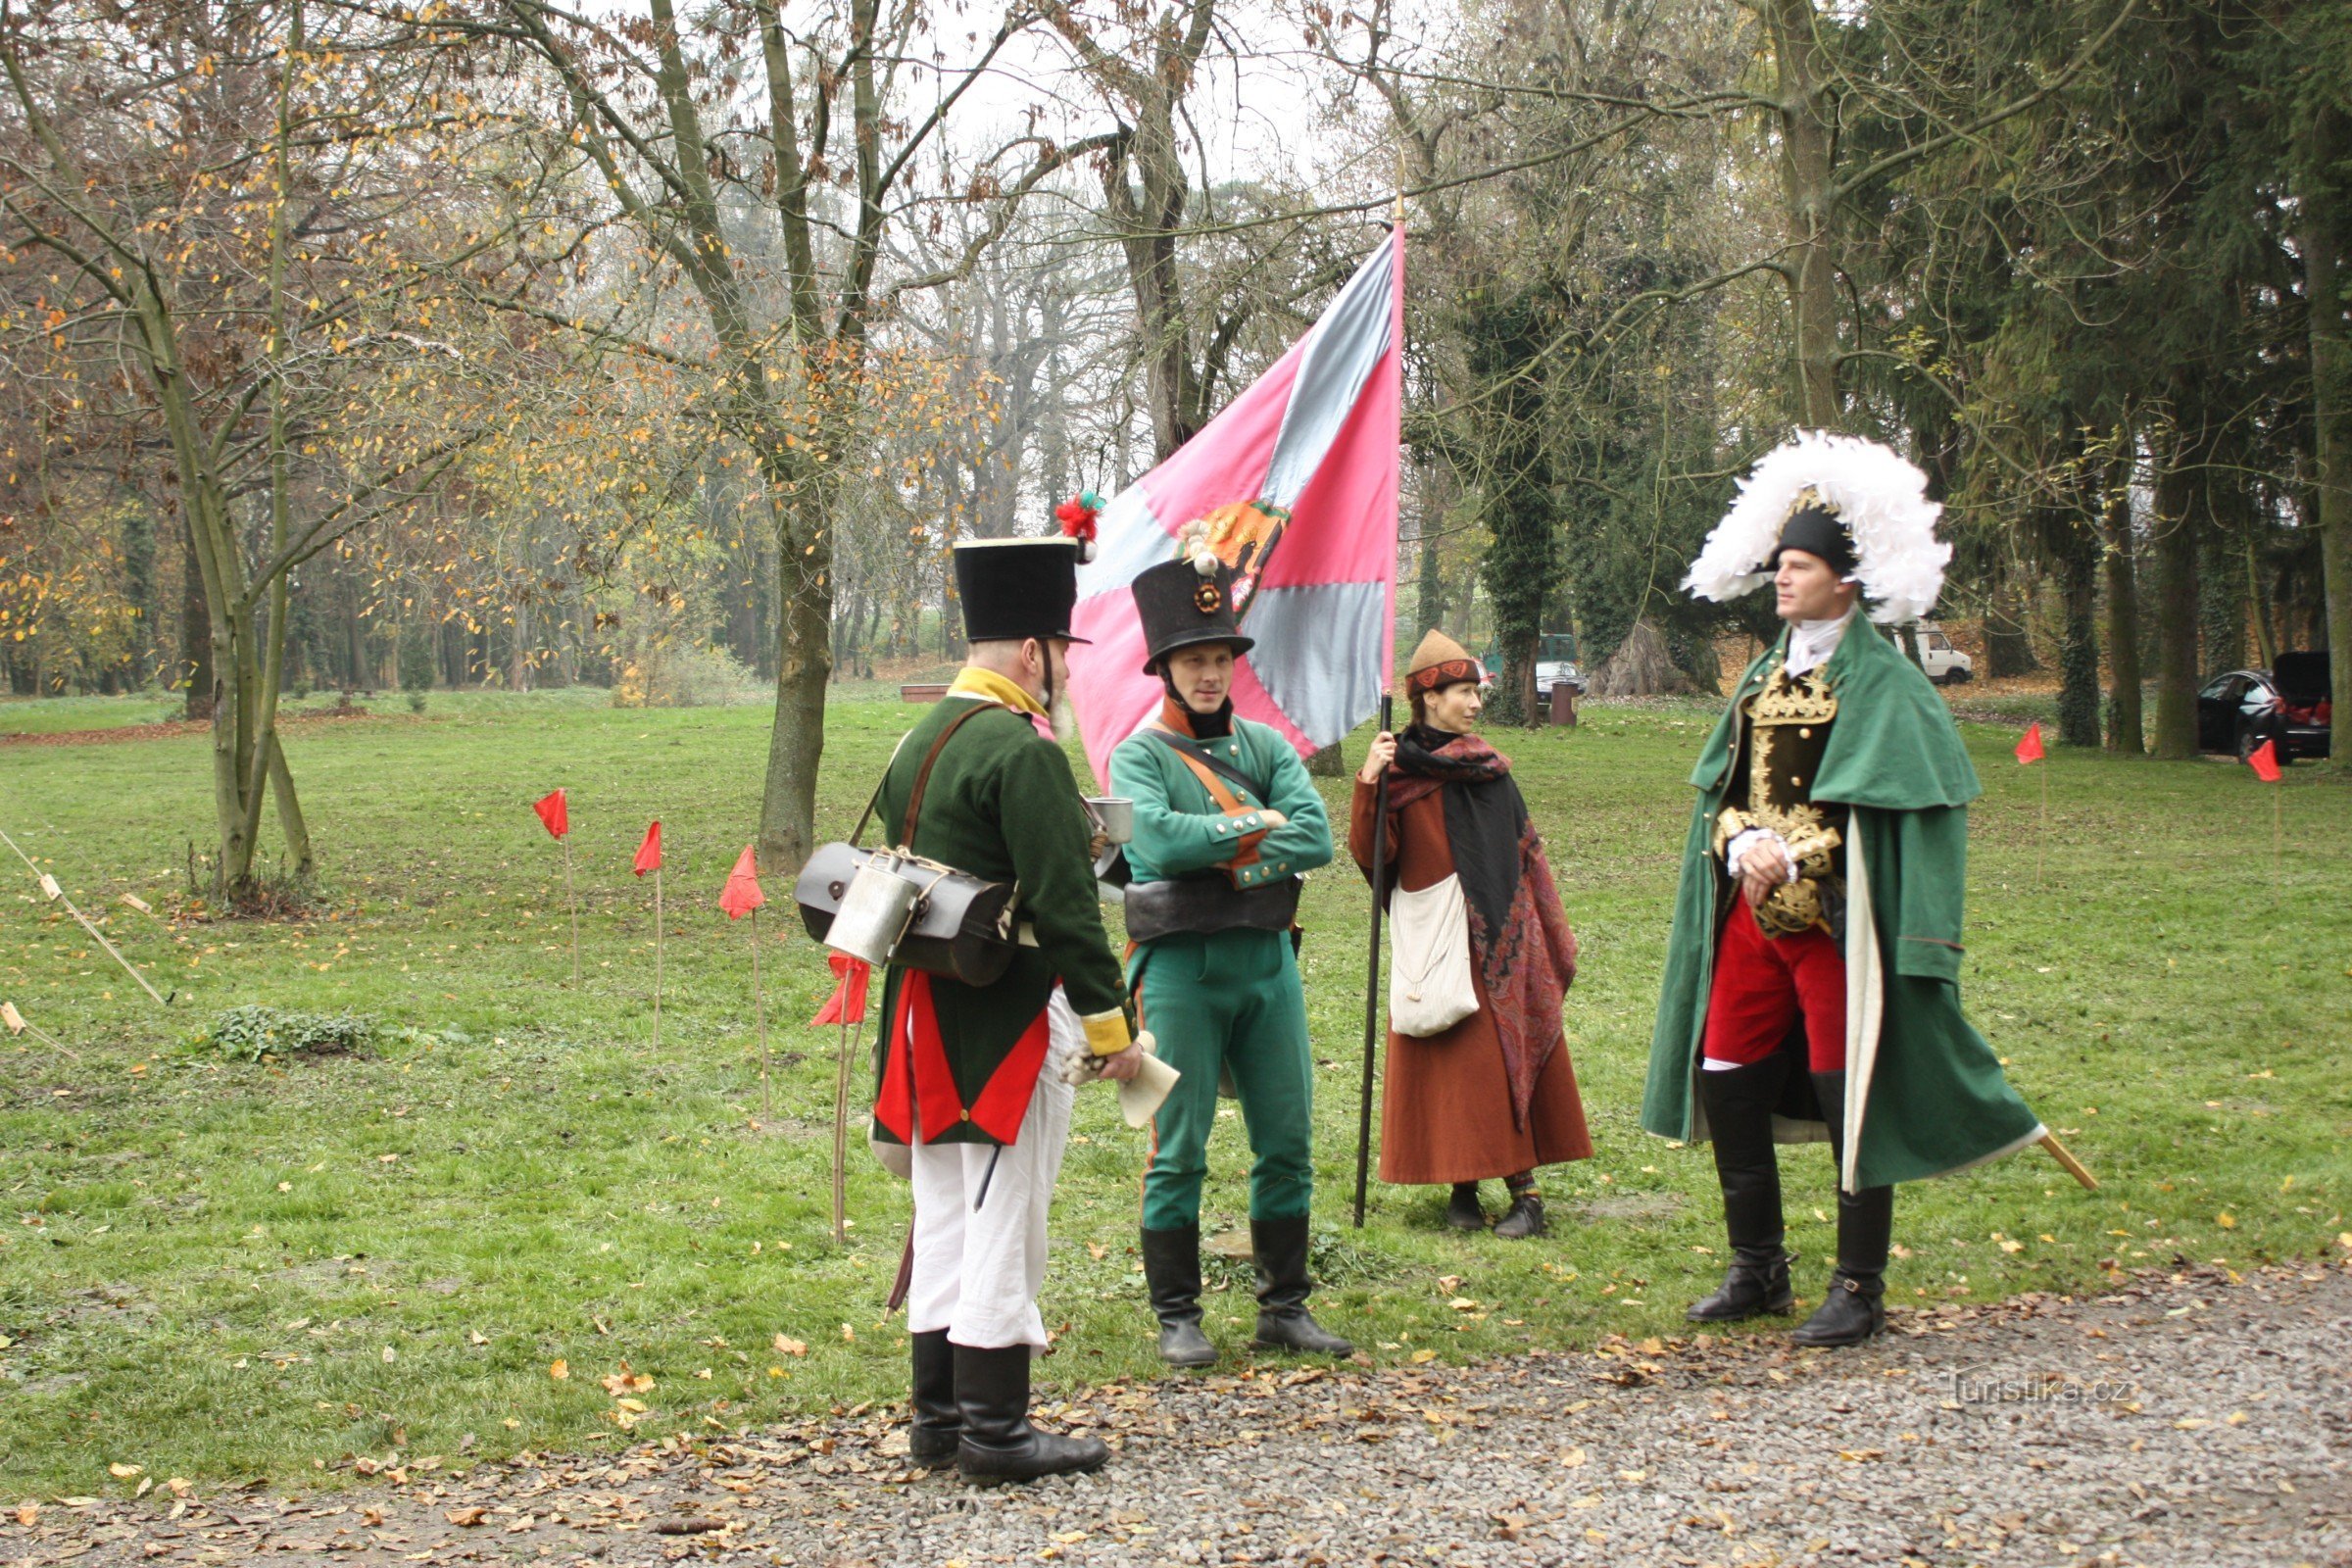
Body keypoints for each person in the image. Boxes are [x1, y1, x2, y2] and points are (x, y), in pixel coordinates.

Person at [1642, 430, 2047, 1348]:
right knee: (1728, 1078)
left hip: (1836, 923)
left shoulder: (1891, 687)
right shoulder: (1758, 680)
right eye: (1778, 565)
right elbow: (1724, 789)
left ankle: (1858, 1285)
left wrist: (1800, 854)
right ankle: (1759, 1267)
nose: (1780, 580)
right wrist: (1741, 835)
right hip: (1752, 921)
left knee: (1847, 1090)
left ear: (1845, 581)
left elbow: (1895, 805)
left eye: (1798, 567)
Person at [868, 535, 1145, 1483]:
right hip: (1001, 1021)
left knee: (945, 1206)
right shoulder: (1020, 750)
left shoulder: (922, 735)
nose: (1065, 672)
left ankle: (939, 1423)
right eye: (1063, 653)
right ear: (1034, 651)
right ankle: (997, 1433)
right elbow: (1069, 911)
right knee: (1004, 1211)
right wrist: (1114, 1028)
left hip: (920, 1016)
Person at [1107, 548, 1352, 1368]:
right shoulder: (1140, 755)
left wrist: (1226, 851)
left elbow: (1315, 836)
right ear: (1166, 670)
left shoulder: (1268, 746)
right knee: (1178, 1145)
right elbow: (1155, 844)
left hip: (1267, 963)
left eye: (1219, 659)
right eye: (1193, 661)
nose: (1210, 674)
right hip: (1178, 968)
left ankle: (1284, 1307)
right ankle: (1177, 1315)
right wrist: (1253, 829)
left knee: (1286, 1138)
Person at [1349, 629, 1591, 1238]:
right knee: (1451, 1058)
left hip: (1500, 933)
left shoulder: (1488, 767)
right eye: (1462, 691)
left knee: (1495, 1054)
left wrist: (1525, 924)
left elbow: (1521, 851)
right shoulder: (1397, 770)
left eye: (1476, 691)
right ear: (1428, 698)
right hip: (1433, 930)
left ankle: (1526, 1194)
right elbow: (1375, 858)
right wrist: (1369, 785)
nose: (1476, 703)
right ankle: (1462, 1183)